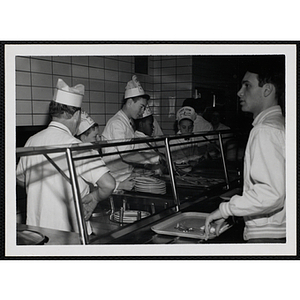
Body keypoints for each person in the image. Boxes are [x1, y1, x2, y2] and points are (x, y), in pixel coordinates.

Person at [16, 78, 116, 234]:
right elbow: (108, 184)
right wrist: (95, 197)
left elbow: (21, 179)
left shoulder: (31, 141)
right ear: (76, 115)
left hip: (36, 234)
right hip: (70, 234)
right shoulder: (78, 146)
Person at [204, 57, 285, 243]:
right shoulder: (280, 124)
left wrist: (225, 209)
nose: (239, 93)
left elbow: (272, 193)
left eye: (247, 85)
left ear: (267, 90)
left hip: (268, 236)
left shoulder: (265, 130)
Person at [101, 75, 160, 189]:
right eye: (141, 107)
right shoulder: (117, 123)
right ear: (130, 102)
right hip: (116, 182)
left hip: (125, 178)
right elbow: (126, 156)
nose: (142, 112)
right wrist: (155, 158)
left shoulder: (127, 122)